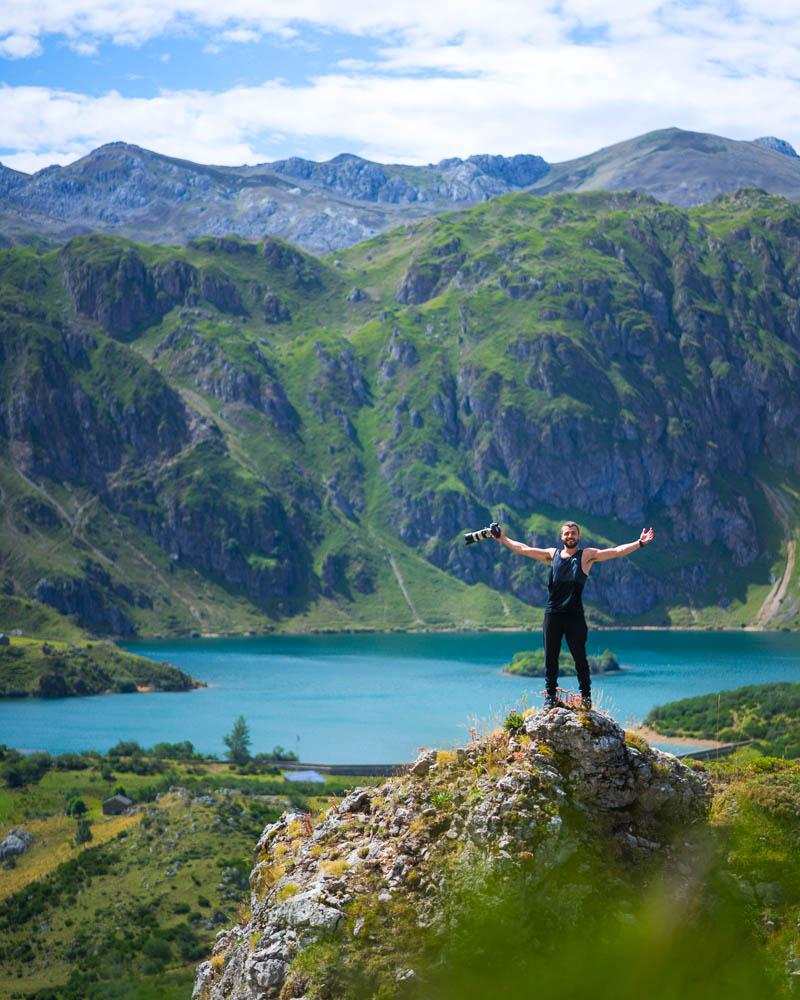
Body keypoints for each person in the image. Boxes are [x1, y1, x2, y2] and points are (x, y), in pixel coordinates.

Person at [494, 521, 654, 710]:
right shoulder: (552, 555)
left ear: (579, 536)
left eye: (573, 533)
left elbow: (616, 551)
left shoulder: (586, 556)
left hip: (575, 616)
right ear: (562, 537)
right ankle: (550, 697)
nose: (570, 536)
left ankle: (586, 697)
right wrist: (502, 538)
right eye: (567, 533)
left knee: (580, 658)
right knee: (550, 657)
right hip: (553, 613)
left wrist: (640, 543)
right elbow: (524, 549)